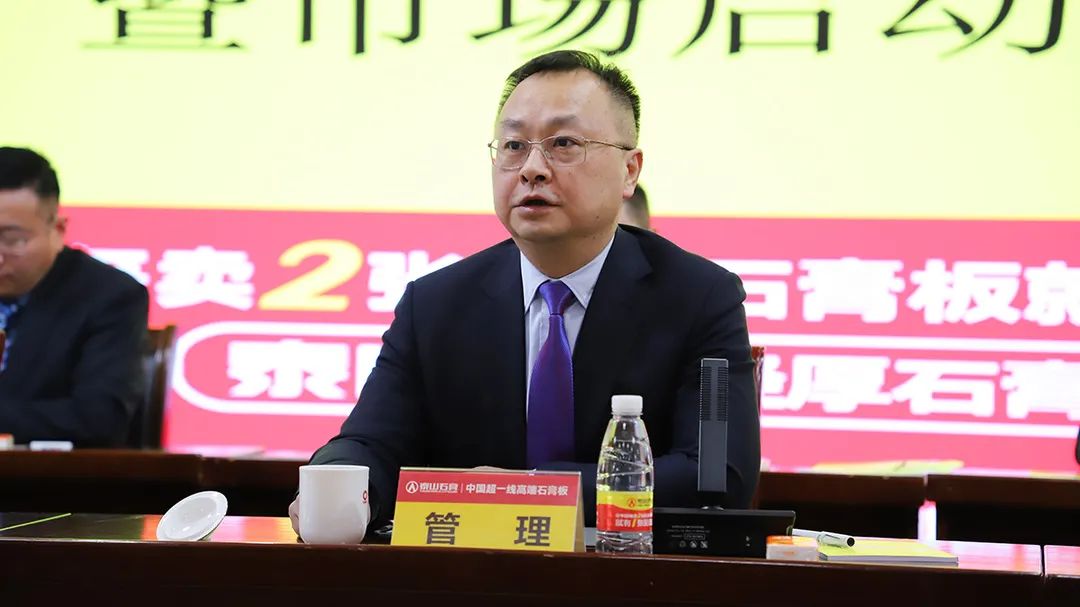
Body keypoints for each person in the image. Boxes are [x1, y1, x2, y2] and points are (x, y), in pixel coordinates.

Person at [291, 50, 758, 533]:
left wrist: (528, 489)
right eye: (513, 145)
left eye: (563, 143)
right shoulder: (434, 305)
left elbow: (716, 476)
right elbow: (371, 443)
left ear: (630, 170)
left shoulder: (699, 297)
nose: (532, 168)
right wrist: (334, 482)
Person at [0, 147, 148, 447]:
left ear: (57, 229)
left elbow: (99, 419)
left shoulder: (110, 297)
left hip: (44, 474)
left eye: (13, 240)